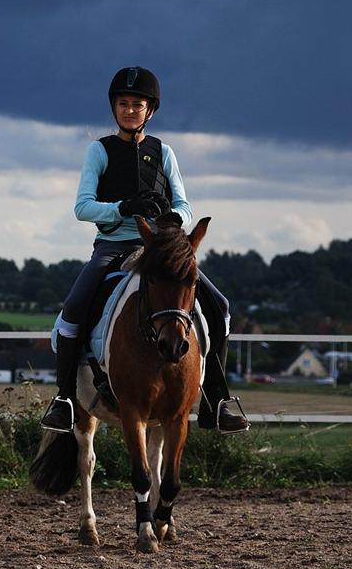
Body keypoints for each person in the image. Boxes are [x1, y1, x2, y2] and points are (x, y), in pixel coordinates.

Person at [40, 66, 250, 435]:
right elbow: (82, 207)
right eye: (123, 104)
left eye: (137, 105)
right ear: (114, 107)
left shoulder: (164, 152)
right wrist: (123, 207)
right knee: (74, 308)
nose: (129, 111)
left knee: (220, 307)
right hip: (113, 245)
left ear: (149, 110)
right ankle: (64, 400)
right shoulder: (99, 151)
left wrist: (170, 214)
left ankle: (218, 398)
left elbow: (185, 205)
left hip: (159, 248)